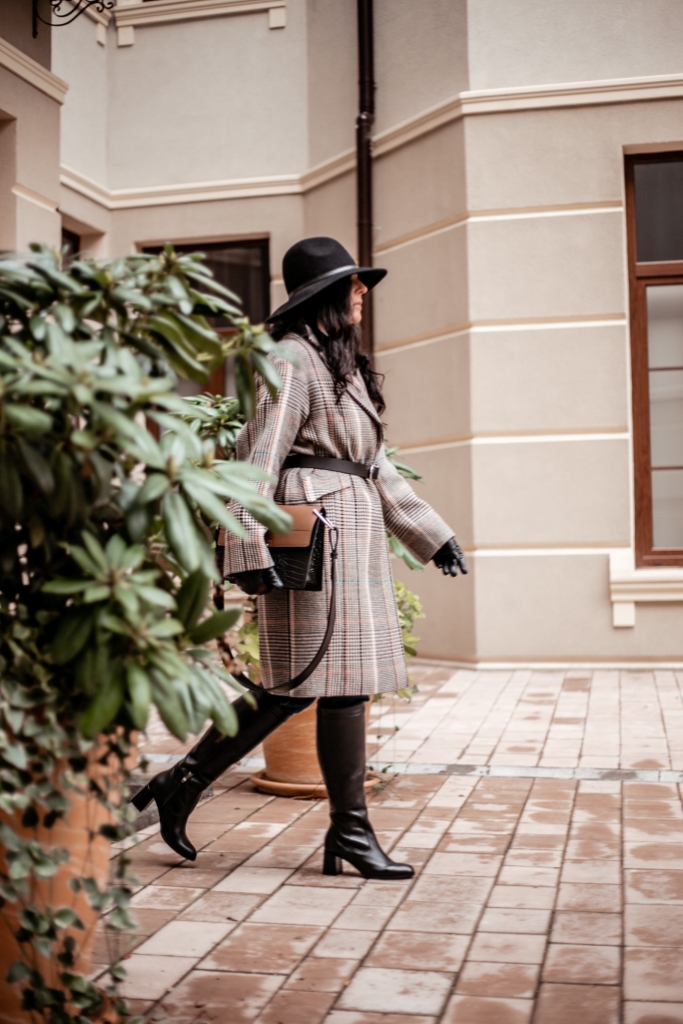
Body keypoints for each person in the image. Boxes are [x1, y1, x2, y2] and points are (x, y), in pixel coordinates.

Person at [134, 237, 467, 880]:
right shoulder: (290, 358)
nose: (362, 292)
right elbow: (257, 456)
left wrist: (432, 534)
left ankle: (323, 824)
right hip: (313, 539)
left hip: (353, 538)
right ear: (326, 295)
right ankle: (207, 789)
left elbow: (375, 467)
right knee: (300, 684)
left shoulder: (340, 365)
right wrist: (247, 545)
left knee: (334, 684)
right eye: (353, 284)